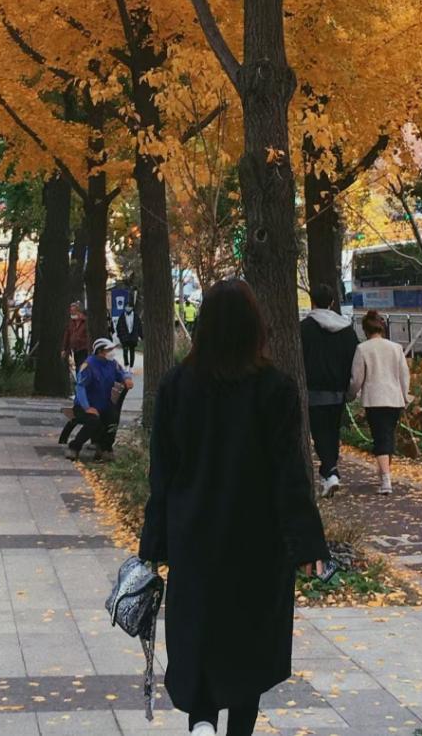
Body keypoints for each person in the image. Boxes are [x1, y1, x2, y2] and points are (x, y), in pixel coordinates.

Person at [140, 279, 327, 736]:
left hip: (195, 538)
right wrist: (306, 544)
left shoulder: (176, 385)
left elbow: (162, 470)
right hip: (256, 544)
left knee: (199, 635)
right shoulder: (274, 389)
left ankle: (201, 723)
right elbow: (289, 474)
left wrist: (155, 543)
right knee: (249, 644)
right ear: (255, 329)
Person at [299, 283, 358, 498]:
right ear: (332, 302)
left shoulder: (303, 329)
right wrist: (350, 388)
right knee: (332, 432)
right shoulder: (346, 330)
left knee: (320, 432)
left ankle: (330, 472)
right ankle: (329, 472)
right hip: (338, 391)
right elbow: (355, 359)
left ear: (312, 301)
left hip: (313, 390)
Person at [347, 309, 411, 495]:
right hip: (394, 398)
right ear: (382, 327)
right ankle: (384, 474)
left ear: (365, 330)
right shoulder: (395, 348)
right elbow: (404, 375)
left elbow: (357, 378)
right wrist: (404, 396)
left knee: (380, 438)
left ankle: (385, 479)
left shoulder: (363, 349)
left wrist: (351, 394)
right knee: (387, 436)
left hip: (374, 398)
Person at [65, 338, 133, 461]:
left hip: (104, 405)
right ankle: (74, 447)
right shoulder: (89, 365)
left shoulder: (112, 364)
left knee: (113, 418)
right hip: (84, 406)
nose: (113, 352)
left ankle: (105, 448)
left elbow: (122, 373)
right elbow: (81, 388)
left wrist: (126, 378)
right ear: (101, 352)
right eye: (110, 349)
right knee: (94, 421)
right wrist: (87, 407)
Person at [62, 301, 89, 379]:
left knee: (82, 368)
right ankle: (79, 385)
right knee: (78, 367)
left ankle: (83, 384)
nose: (72, 313)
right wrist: (64, 349)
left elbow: (89, 336)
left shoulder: (85, 322)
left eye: (73, 311)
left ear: (79, 311)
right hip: (75, 349)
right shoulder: (71, 322)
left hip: (84, 349)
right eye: (71, 311)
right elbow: (67, 335)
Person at [115, 304, 143, 369]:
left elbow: (139, 326)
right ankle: (126, 365)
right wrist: (119, 335)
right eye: (127, 306)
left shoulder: (136, 316)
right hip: (125, 336)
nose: (128, 308)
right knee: (125, 351)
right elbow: (118, 327)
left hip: (133, 336)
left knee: (132, 352)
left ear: (132, 307)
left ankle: (131, 366)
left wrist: (140, 336)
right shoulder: (122, 316)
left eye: (129, 306)